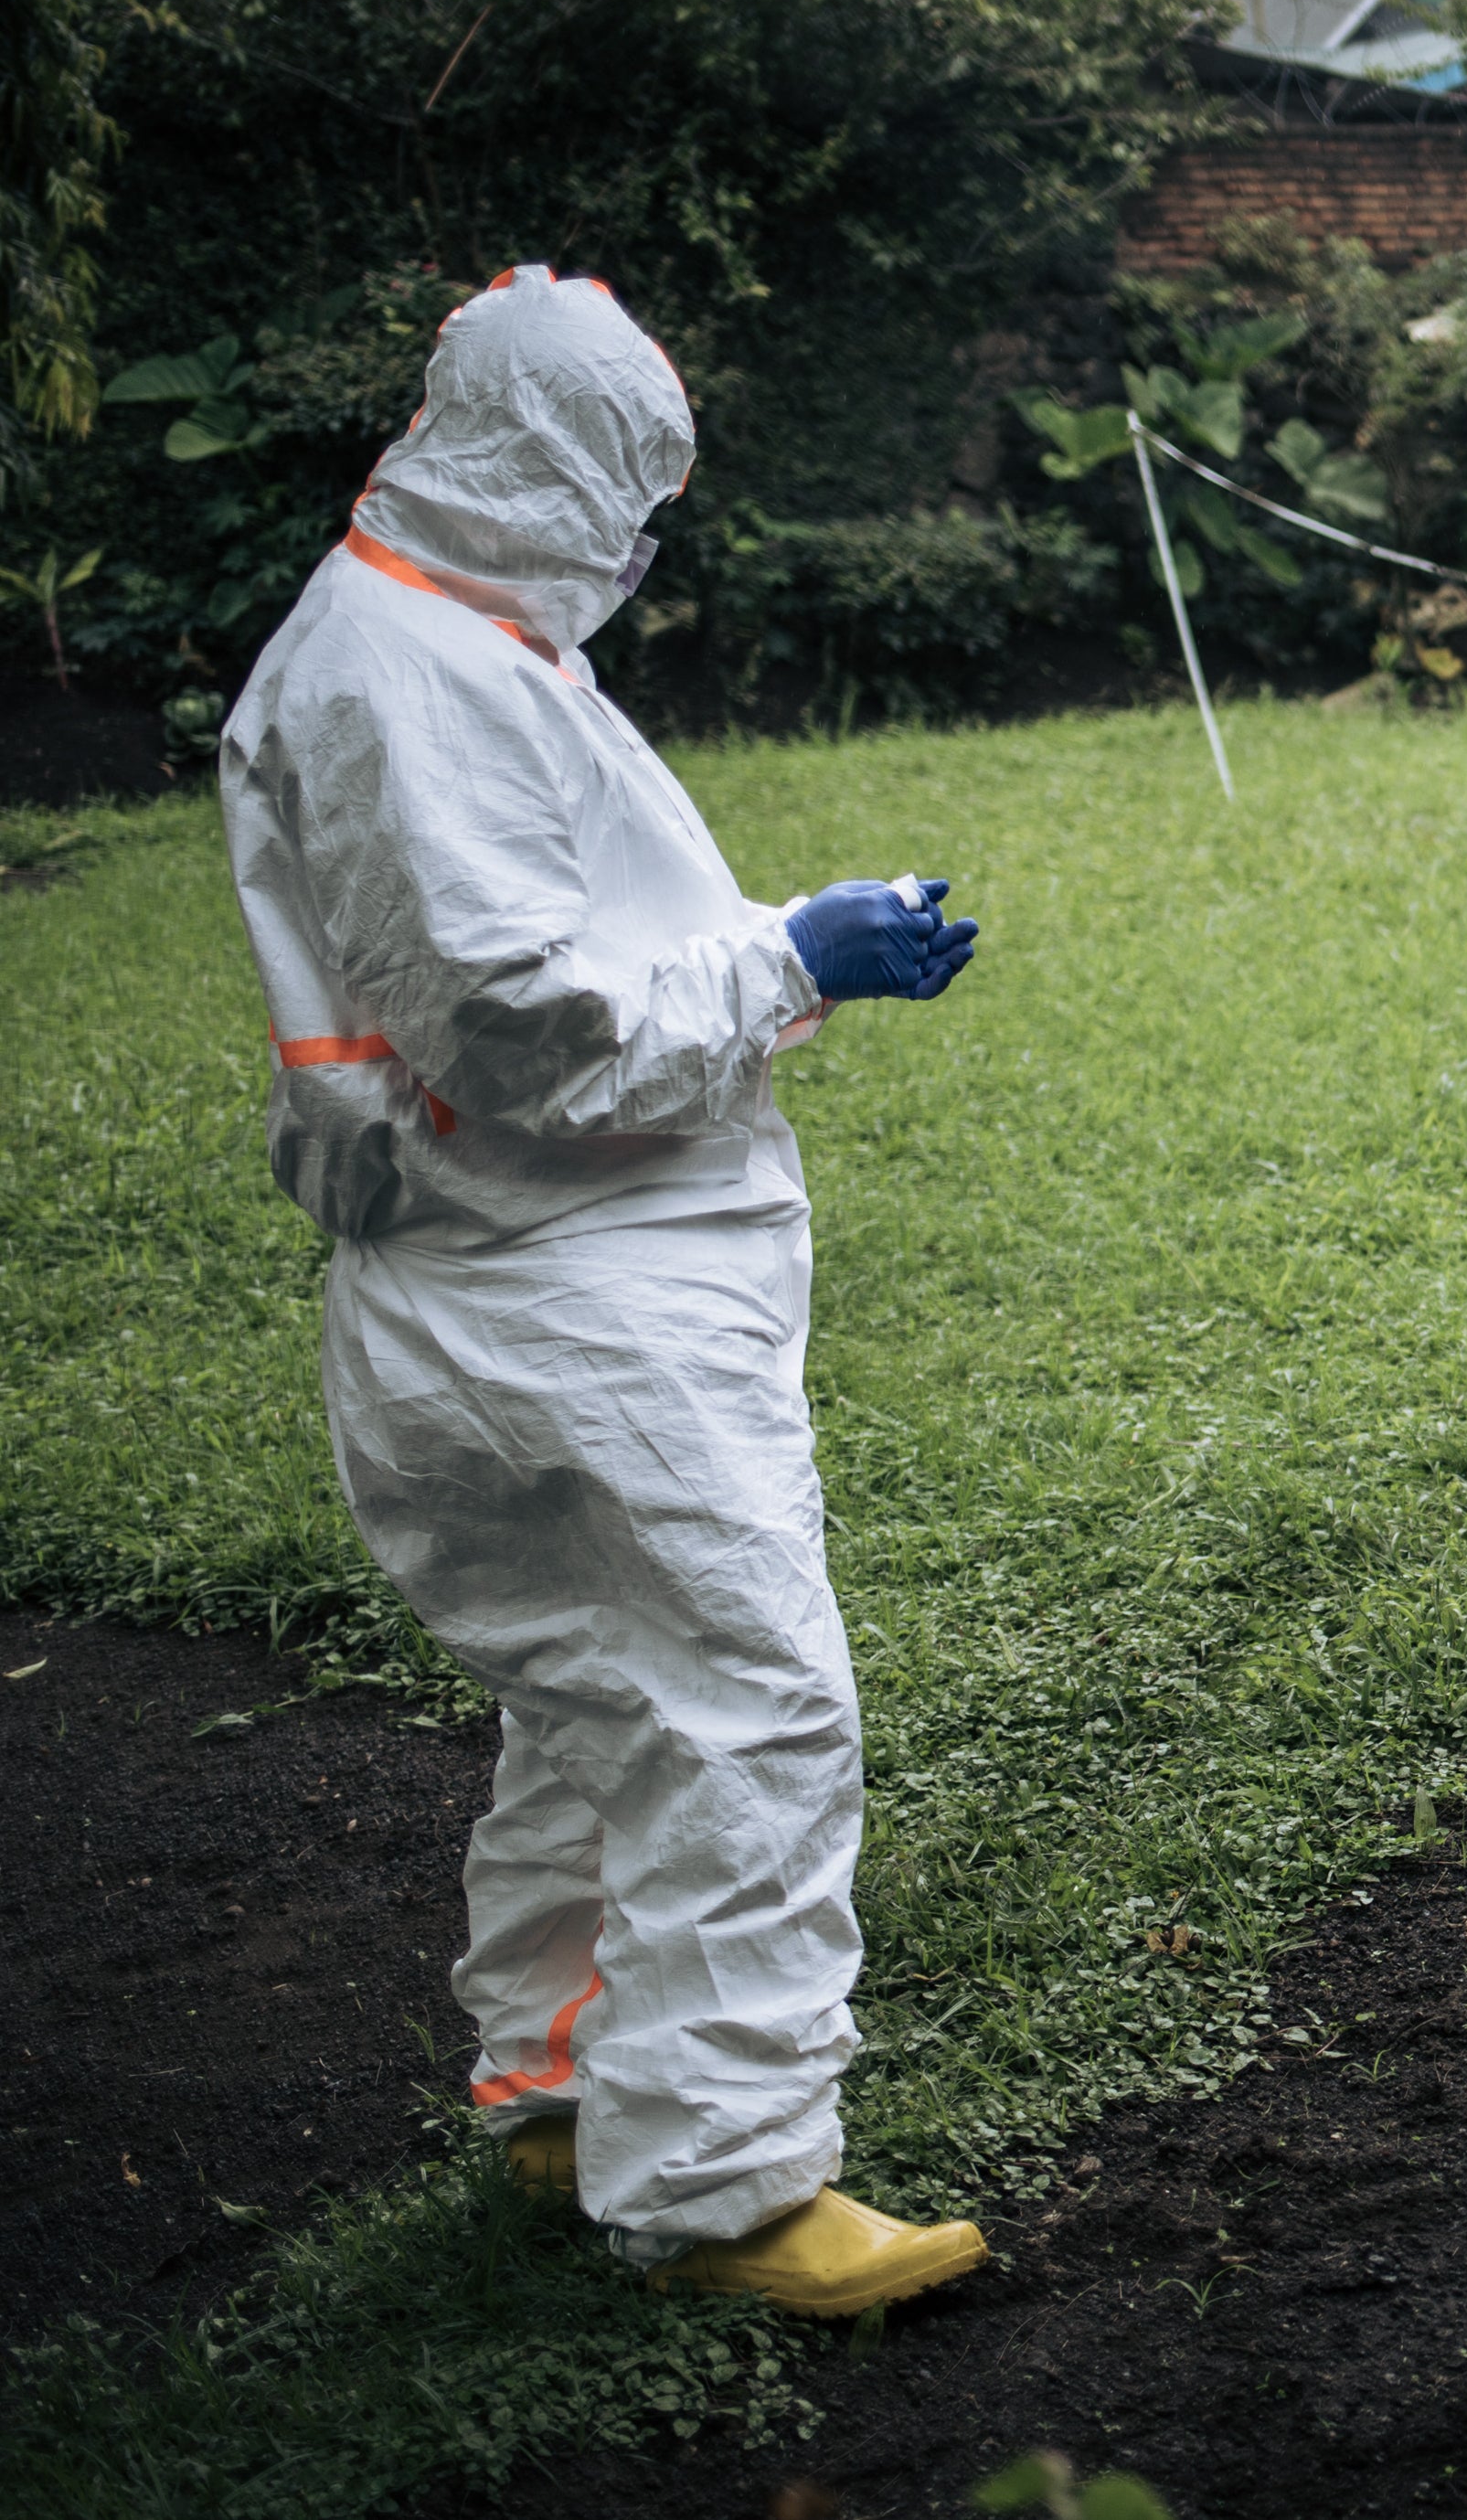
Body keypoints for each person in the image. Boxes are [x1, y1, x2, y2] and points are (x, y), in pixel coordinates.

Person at [219, 264, 989, 2315]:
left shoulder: (445, 636)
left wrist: (771, 934)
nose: (637, 544)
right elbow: (522, 1030)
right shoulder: (402, 672)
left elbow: (562, 929)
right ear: (539, 459)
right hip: (561, 1296)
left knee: (599, 1709)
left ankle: (561, 2095)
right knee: (744, 1711)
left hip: (518, 1289)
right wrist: (795, 959)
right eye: (626, 492)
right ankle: (732, 2187)